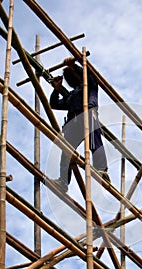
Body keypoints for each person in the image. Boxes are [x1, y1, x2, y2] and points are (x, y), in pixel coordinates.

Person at [50, 57, 109, 192]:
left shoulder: (91, 84)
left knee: (95, 143)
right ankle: (63, 182)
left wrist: (74, 66)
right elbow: (55, 104)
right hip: (74, 123)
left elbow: (89, 76)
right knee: (66, 152)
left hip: (88, 115)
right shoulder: (72, 95)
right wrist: (57, 89)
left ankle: (102, 170)